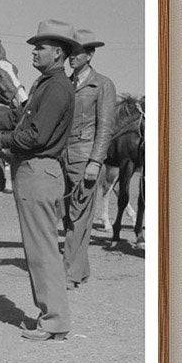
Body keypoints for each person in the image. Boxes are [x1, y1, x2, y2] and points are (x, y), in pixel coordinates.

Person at [0, 19, 77, 341]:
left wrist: (0, 141)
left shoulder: (56, 88)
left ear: (57, 53)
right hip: (36, 172)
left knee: (41, 250)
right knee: (41, 249)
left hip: (38, 171)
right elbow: (19, 117)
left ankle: (54, 320)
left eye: (40, 47)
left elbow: (34, 135)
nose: (34, 51)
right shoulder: (46, 84)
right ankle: (52, 317)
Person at [63, 28, 116, 288]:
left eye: (77, 52)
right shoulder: (65, 83)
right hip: (62, 157)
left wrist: (95, 161)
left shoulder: (102, 84)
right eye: (69, 52)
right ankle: (80, 270)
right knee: (67, 215)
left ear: (90, 54)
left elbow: (105, 127)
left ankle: (70, 274)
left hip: (85, 159)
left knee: (79, 215)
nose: (71, 57)